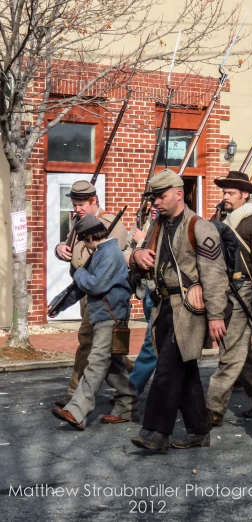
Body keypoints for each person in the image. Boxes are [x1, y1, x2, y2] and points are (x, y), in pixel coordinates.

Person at [129, 170, 228, 451]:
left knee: (167, 369)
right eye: (154, 197)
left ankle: (156, 432)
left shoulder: (200, 227)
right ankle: (198, 431)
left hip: (188, 309)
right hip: (163, 307)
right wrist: (137, 256)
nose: (156, 203)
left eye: (160, 197)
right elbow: (137, 255)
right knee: (185, 371)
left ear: (178, 194)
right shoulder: (157, 226)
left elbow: (214, 275)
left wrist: (217, 315)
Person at [50, 215, 137, 429]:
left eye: (83, 241)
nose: (84, 246)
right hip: (104, 316)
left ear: (89, 238)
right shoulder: (101, 253)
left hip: (111, 317)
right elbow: (81, 287)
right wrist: (57, 306)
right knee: (112, 368)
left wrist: (79, 272)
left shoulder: (110, 253)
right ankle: (127, 405)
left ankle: (77, 411)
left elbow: (95, 285)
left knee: (96, 363)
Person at [205, 171, 252, 427]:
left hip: (245, 287)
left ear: (245, 195)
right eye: (224, 192)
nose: (225, 197)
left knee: (230, 349)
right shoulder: (224, 218)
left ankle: (212, 407)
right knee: (239, 350)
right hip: (226, 287)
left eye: (230, 193)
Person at [53, 180, 129, 407]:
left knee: (88, 340)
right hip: (84, 288)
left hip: (101, 292)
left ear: (94, 201)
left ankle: (75, 393)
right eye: (74, 205)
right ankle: (133, 382)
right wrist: (59, 249)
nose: (76, 209)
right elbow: (73, 249)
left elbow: (109, 259)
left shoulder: (110, 224)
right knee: (107, 348)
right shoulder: (80, 222)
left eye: (81, 205)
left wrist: (81, 275)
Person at [127, 206, 159, 394]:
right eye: (152, 204)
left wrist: (141, 243)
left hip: (158, 291)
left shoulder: (163, 227)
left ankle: (130, 392)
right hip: (146, 287)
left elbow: (151, 258)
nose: (154, 208)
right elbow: (126, 252)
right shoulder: (142, 225)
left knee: (151, 339)